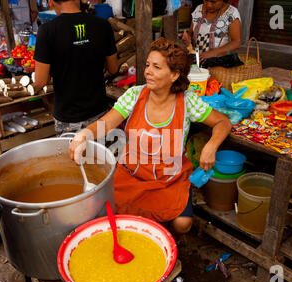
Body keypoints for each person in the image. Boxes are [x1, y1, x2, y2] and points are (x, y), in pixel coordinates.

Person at [69, 38, 232, 236]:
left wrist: (211, 145)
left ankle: (163, 239)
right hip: (132, 174)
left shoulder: (188, 101)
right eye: (147, 65)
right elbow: (106, 123)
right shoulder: (134, 95)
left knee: (182, 224)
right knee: (105, 211)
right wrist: (85, 134)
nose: (147, 71)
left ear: (174, 75)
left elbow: (223, 122)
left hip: (168, 179)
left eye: (156, 67)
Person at [33, 0, 118, 135]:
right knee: (101, 155)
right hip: (99, 113)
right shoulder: (103, 25)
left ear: (51, 2)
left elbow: (40, 82)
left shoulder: (47, 31)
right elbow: (113, 69)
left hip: (68, 118)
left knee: (74, 155)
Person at [182, 0, 241, 65]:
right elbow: (191, 33)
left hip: (218, 64)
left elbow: (236, 42)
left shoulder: (231, 13)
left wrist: (213, 53)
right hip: (196, 61)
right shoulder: (198, 9)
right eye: (205, 0)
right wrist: (187, 38)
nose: (209, 5)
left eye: (213, 2)